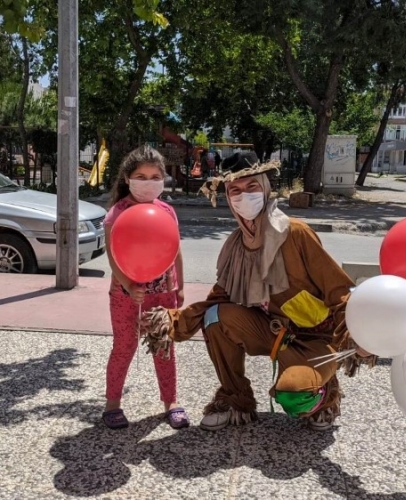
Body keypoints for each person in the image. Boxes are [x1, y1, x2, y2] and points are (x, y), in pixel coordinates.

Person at [141, 152, 374, 432]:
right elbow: (218, 298)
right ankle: (236, 400)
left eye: (251, 187)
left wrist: (358, 335)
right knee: (216, 317)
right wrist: (171, 322)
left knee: (293, 396)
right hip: (271, 332)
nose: (244, 196)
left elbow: (337, 289)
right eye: (235, 190)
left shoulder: (295, 233)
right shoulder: (236, 246)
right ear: (228, 198)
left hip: (314, 338)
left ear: (265, 188)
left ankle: (325, 395)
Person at [102, 145, 189, 430]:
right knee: (123, 348)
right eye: (141, 175)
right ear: (128, 178)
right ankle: (112, 404)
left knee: (164, 348)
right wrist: (128, 285)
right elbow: (113, 256)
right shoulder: (117, 212)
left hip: (164, 293)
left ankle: (171, 402)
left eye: (155, 176)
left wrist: (181, 286)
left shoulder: (167, 210)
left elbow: (174, 249)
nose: (148, 182)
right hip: (125, 295)